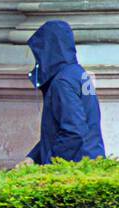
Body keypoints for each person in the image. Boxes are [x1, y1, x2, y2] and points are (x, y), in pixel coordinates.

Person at [21, 19, 106, 165]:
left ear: (48, 49)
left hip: (74, 167)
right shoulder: (77, 73)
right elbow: (65, 131)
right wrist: (33, 157)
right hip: (89, 162)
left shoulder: (62, 81)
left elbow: (73, 132)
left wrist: (48, 164)